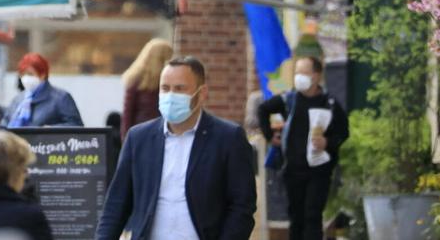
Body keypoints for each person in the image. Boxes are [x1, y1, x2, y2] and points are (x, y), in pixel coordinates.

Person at [96, 56, 256, 240]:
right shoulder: (139, 139)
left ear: (201, 93)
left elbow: (242, 205)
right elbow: (116, 203)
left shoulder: (228, 138)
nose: (171, 96)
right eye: (165, 88)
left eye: (180, 89)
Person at [257, 56, 349, 240]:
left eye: (304, 73)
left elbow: (343, 133)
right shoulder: (289, 100)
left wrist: (327, 143)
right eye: (297, 73)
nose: (299, 77)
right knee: (296, 218)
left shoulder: (329, 103)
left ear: (316, 76)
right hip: (292, 171)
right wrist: (270, 136)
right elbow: (263, 109)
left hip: (319, 172)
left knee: (312, 216)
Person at [2, 53, 83, 128]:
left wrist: (50, 130)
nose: (25, 78)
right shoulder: (19, 99)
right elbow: (4, 125)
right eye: (22, 74)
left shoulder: (61, 98)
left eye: (30, 74)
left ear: (43, 75)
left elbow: (76, 125)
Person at [120, 38, 174, 138]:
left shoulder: (167, 82)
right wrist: (126, 141)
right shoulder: (136, 80)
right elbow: (127, 115)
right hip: (141, 135)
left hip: (161, 134)